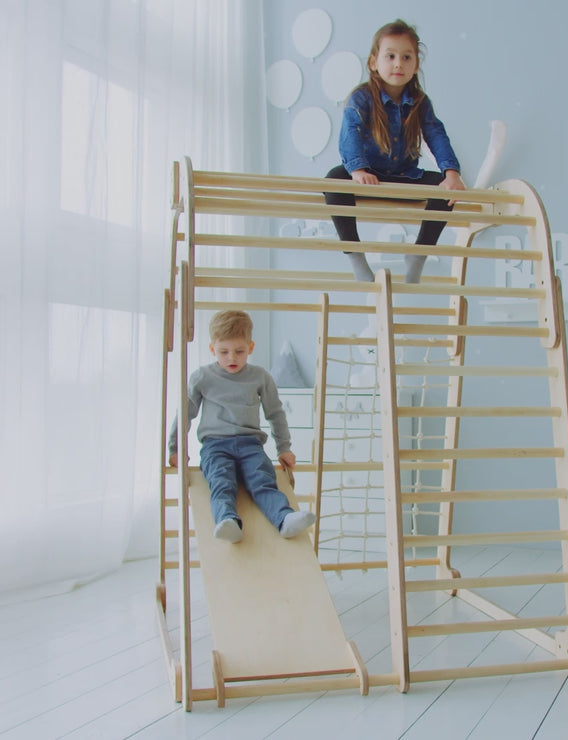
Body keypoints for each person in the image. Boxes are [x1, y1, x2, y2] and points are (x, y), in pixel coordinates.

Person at [325, 19, 465, 284]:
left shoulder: (420, 102)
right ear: (374, 62)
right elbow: (349, 133)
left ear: (415, 65)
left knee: (444, 190)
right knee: (333, 179)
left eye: (406, 57)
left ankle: (419, 254)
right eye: (390, 56)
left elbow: (436, 134)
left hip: (404, 174)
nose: (398, 63)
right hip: (368, 174)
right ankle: (355, 255)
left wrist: (451, 172)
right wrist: (358, 170)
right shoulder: (362, 97)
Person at [167, 310, 316, 544]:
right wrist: (175, 448)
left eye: (239, 351)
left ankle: (284, 519)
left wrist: (283, 448)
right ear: (212, 349)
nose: (231, 358)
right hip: (215, 445)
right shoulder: (202, 377)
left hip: (250, 445)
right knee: (220, 479)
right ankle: (228, 521)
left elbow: (275, 413)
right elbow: (186, 413)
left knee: (262, 478)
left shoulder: (260, 377)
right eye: (223, 352)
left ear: (251, 346)